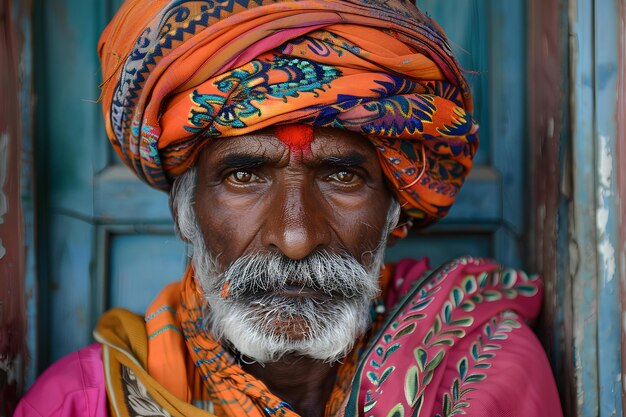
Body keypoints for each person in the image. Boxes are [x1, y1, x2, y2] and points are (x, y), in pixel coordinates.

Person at [15, 0, 563, 416]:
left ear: (394, 210)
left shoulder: (486, 378)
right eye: (244, 176)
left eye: (343, 176)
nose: (296, 237)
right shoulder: (82, 402)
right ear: (185, 213)